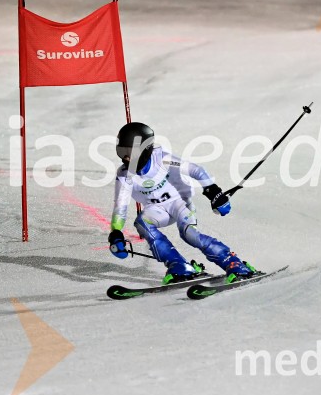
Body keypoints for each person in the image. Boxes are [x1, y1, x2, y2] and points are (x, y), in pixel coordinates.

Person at [107, 122, 257, 284]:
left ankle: (234, 263)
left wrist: (214, 193)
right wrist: (116, 233)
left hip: (179, 203)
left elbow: (196, 170)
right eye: (122, 152)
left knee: (188, 234)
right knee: (142, 222)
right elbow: (120, 207)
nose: (125, 158)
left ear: (145, 149)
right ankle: (179, 265)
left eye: (129, 152)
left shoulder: (162, 159)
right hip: (158, 210)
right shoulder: (124, 175)